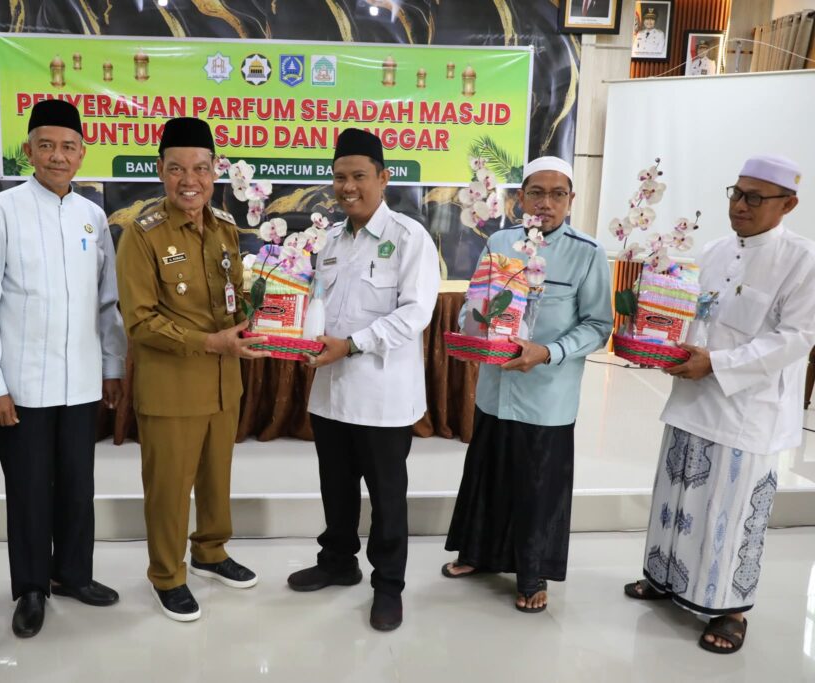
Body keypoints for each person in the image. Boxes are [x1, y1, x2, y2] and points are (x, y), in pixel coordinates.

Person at [625, 155, 815, 654]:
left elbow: (797, 338)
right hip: (692, 399)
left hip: (746, 411)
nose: (740, 205)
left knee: (729, 514)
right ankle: (665, 579)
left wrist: (719, 364)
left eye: (754, 197)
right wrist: (663, 347)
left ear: (788, 204)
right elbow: (691, 315)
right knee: (677, 499)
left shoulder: (803, 260)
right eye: (736, 193)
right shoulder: (712, 251)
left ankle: (731, 609)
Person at [0, 99, 126, 638]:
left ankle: (73, 574)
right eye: (47, 146)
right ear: (28, 151)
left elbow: (106, 301)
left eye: (68, 147)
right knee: (30, 489)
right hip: (21, 386)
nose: (58, 156)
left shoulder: (91, 216)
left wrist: (112, 366)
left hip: (80, 381)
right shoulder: (1, 211)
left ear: (82, 153)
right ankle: (32, 588)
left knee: (78, 486)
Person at [442, 156, 613, 613]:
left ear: (571, 201)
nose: (545, 203)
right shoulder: (501, 242)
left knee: (537, 485)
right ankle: (477, 552)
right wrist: (472, 329)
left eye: (558, 194)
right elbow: (476, 299)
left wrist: (548, 352)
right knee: (488, 473)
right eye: (536, 193)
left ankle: (531, 570)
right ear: (520, 198)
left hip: (547, 393)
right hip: (496, 387)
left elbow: (599, 325)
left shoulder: (587, 252)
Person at [286, 128, 440, 632]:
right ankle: (337, 562)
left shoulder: (409, 238)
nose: (347, 187)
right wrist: (297, 337)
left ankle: (388, 586)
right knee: (336, 489)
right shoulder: (330, 241)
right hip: (330, 394)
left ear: (383, 177)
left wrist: (351, 345)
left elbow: (415, 314)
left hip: (382, 398)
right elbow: (318, 305)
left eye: (358, 176)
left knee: (387, 498)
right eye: (339, 177)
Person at [115, 117, 268, 623]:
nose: (190, 180)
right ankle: (167, 575)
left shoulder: (224, 228)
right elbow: (139, 321)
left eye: (201, 168)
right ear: (160, 170)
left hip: (224, 382)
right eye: (178, 168)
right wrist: (210, 342)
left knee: (216, 478)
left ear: (215, 171)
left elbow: (235, 296)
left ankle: (210, 551)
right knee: (169, 488)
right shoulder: (141, 236)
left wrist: (263, 317)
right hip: (172, 387)